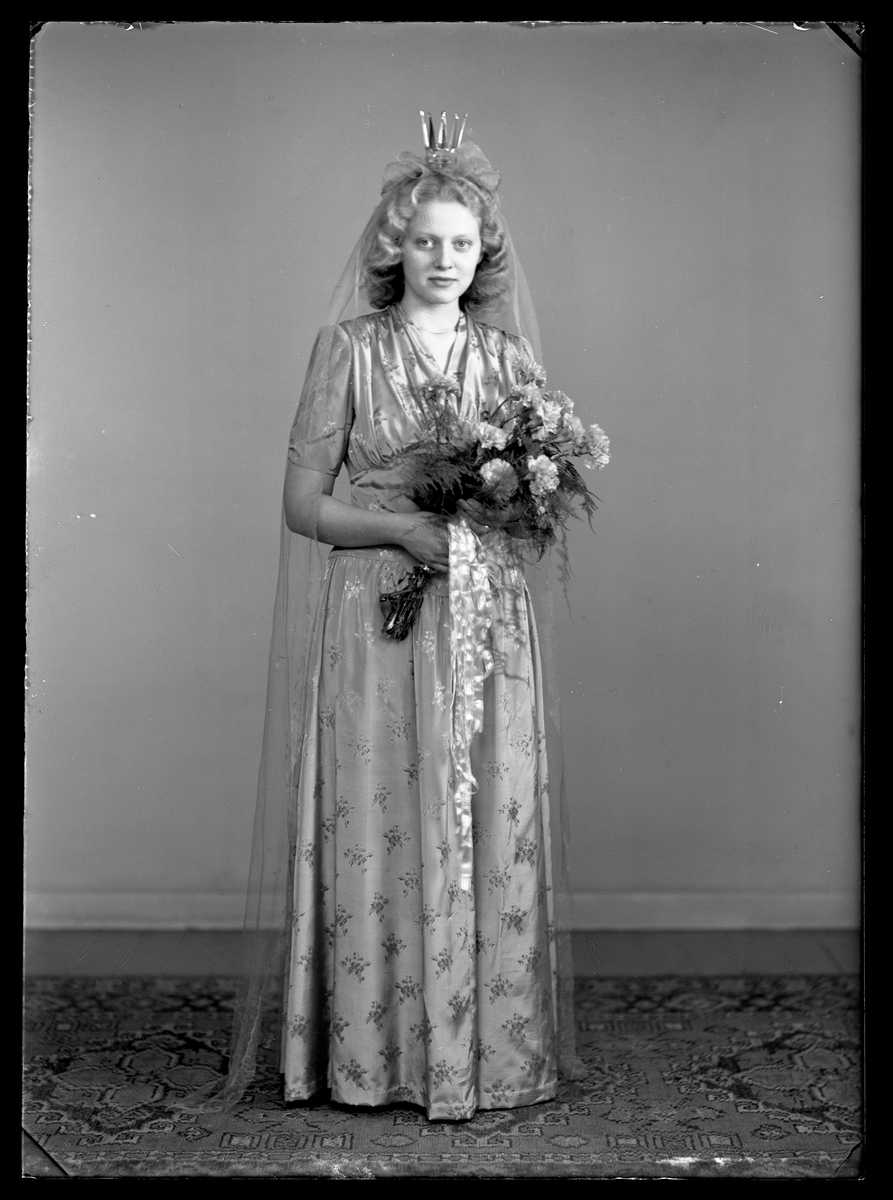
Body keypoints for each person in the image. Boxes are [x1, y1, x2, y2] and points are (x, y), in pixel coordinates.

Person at [204, 116, 578, 1124]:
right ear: (393, 248)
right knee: (381, 818)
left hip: (484, 618)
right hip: (376, 616)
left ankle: (481, 1057)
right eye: (424, 241)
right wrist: (403, 530)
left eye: (461, 242)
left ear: (481, 251)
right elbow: (301, 505)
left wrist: (496, 517)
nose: (444, 260)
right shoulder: (347, 352)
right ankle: (372, 1057)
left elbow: (534, 506)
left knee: (481, 815)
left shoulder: (507, 361)